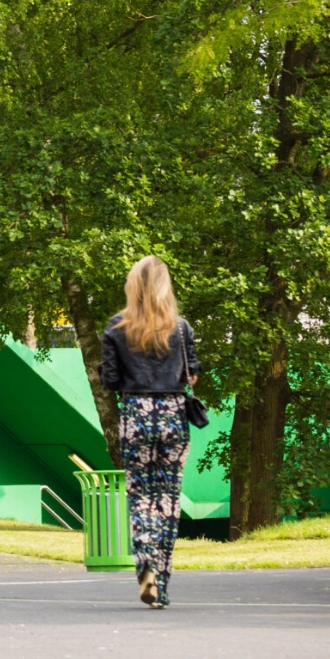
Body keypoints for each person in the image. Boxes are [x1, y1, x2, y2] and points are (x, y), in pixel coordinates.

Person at [101, 255, 200, 609]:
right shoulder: (182, 327)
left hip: (136, 414)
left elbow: (110, 381)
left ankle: (146, 564)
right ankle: (164, 584)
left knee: (140, 495)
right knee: (168, 501)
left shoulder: (116, 327)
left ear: (133, 287)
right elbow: (192, 375)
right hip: (174, 414)